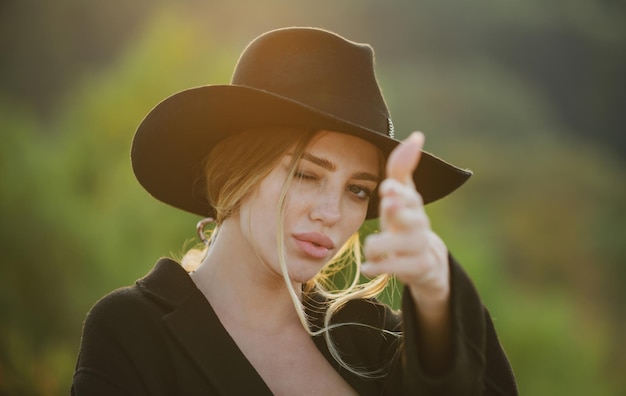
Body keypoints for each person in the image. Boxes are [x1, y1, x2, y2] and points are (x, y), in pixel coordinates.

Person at [72, 27, 517, 395]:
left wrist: (437, 296)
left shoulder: (377, 343)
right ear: (237, 171)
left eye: (359, 191)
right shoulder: (134, 332)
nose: (332, 212)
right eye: (306, 174)